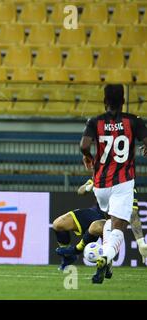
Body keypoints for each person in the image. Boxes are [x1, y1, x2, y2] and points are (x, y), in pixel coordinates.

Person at [80, 84, 147, 283]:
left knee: (110, 220)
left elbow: (84, 145)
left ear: (104, 100)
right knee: (119, 226)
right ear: (123, 101)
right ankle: (107, 257)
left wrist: (88, 157)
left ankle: (106, 264)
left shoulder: (95, 121)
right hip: (123, 181)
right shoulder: (133, 121)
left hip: (101, 183)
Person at [54, 179, 147, 274]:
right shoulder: (101, 174)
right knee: (58, 224)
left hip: (112, 220)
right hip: (95, 212)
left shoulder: (127, 184)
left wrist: (141, 241)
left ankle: (102, 264)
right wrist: (87, 187)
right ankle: (68, 258)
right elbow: (80, 191)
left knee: (96, 227)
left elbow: (133, 213)